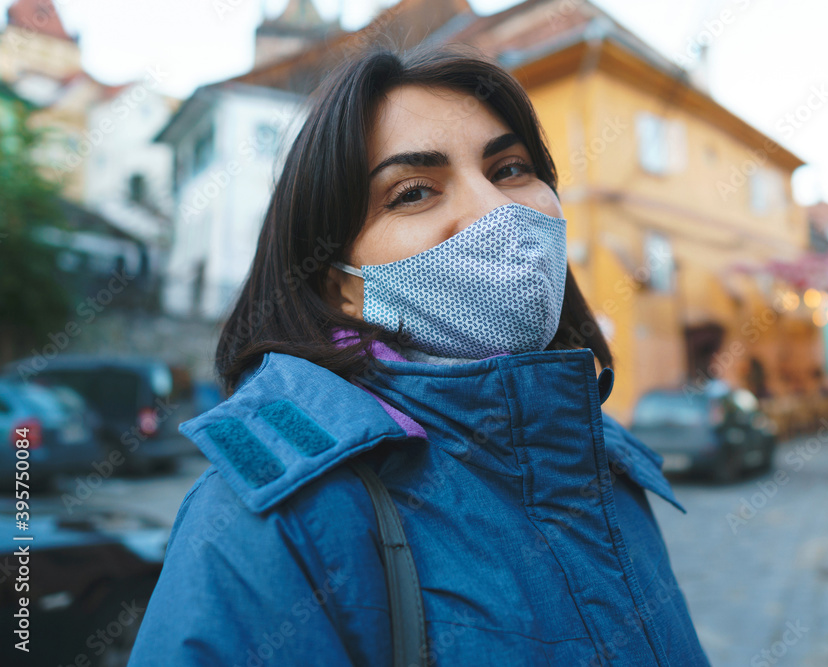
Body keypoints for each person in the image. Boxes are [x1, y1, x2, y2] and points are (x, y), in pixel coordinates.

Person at [127, 42, 709, 666]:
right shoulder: (280, 519)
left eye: (510, 168)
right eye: (412, 192)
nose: (496, 211)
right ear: (342, 286)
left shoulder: (604, 469)